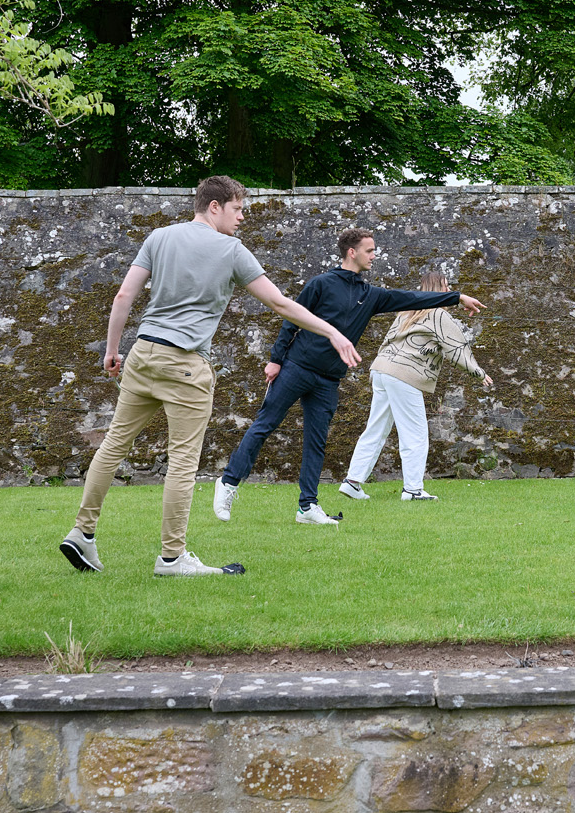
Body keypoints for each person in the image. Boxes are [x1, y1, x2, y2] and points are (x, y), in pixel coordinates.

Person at [59, 176, 362, 575]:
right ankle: (172, 557)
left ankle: (82, 533)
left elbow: (124, 296)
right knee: (183, 462)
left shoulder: (159, 237)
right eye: (237, 209)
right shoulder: (231, 250)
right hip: (186, 365)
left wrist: (112, 350)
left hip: (143, 354)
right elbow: (279, 303)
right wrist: (333, 331)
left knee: (113, 445)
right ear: (215, 206)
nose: (241, 218)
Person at [213, 229, 483, 525]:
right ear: (351, 252)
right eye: (370, 250)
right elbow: (291, 319)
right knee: (265, 426)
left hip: (328, 380)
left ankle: (307, 507)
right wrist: (276, 360)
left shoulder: (370, 295)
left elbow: (411, 297)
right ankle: (228, 483)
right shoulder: (321, 284)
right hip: (296, 368)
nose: (374, 255)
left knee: (316, 442)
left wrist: (457, 298)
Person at [338, 271, 494, 502]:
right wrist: (478, 373)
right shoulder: (439, 315)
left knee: (376, 429)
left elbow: (389, 339)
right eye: (447, 286)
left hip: (382, 370)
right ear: (440, 290)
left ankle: (352, 482)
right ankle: (412, 490)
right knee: (415, 434)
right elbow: (456, 348)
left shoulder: (407, 310)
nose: (449, 289)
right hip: (403, 375)